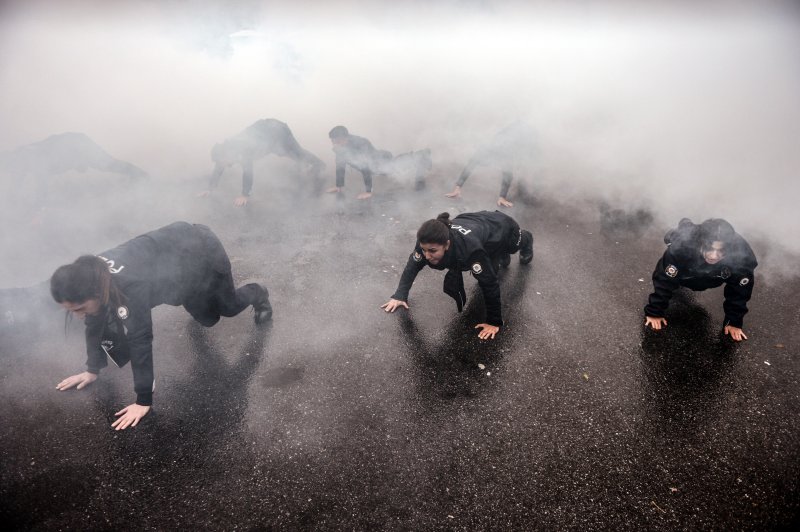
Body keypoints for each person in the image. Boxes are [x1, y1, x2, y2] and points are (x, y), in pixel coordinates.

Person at [49, 222, 272, 430]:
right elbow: (94, 321)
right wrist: (92, 370)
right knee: (207, 320)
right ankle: (197, 299)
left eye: (79, 308)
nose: (78, 316)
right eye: (71, 311)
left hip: (203, 252)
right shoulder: (92, 276)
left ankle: (258, 292)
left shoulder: (128, 288)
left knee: (227, 308)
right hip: (179, 272)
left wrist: (143, 400)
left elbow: (140, 338)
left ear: (96, 293)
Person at [382, 211, 534, 340]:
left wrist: (494, 322)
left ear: (447, 245)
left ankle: (526, 239)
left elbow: (490, 285)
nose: (426, 256)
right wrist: (400, 295)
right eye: (424, 250)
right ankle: (499, 255)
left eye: (433, 251)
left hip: (502, 226)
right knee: (493, 266)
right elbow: (412, 265)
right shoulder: (426, 242)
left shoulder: (471, 251)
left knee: (503, 256)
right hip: (478, 229)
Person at [644, 218, 757, 342]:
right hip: (686, 274)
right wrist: (654, 312)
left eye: (721, 250)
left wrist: (734, 322)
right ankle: (685, 225)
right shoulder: (682, 247)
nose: (714, 256)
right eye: (709, 248)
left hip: (714, 277)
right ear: (700, 242)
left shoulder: (741, 254)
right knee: (679, 235)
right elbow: (664, 280)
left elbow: (740, 291)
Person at [199, 119, 325, 206]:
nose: (224, 166)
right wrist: (209, 189)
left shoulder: (241, 148)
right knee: (287, 153)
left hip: (277, 131)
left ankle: (319, 164)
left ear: (225, 155)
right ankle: (304, 164)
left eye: (222, 161)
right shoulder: (226, 151)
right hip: (268, 137)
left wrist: (245, 195)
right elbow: (219, 167)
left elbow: (248, 171)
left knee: (297, 152)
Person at [326, 125, 432, 200]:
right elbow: (340, 164)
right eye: (333, 141)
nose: (334, 144)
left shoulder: (360, 143)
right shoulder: (341, 146)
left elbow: (365, 166)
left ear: (345, 138)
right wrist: (339, 185)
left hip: (380, 161)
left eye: (337, 141)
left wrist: (368, 192)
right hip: (375, 165)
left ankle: (422, 154)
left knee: (396, 167)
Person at [445, 121, 534, 208]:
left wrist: (502, 197)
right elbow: (470, 165)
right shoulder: (485, 149)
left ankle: (524, 188)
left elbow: (508, 175)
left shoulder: (506, 154)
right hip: (512, 134)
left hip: (527, 136)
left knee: (526, 164)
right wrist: (458, 187)